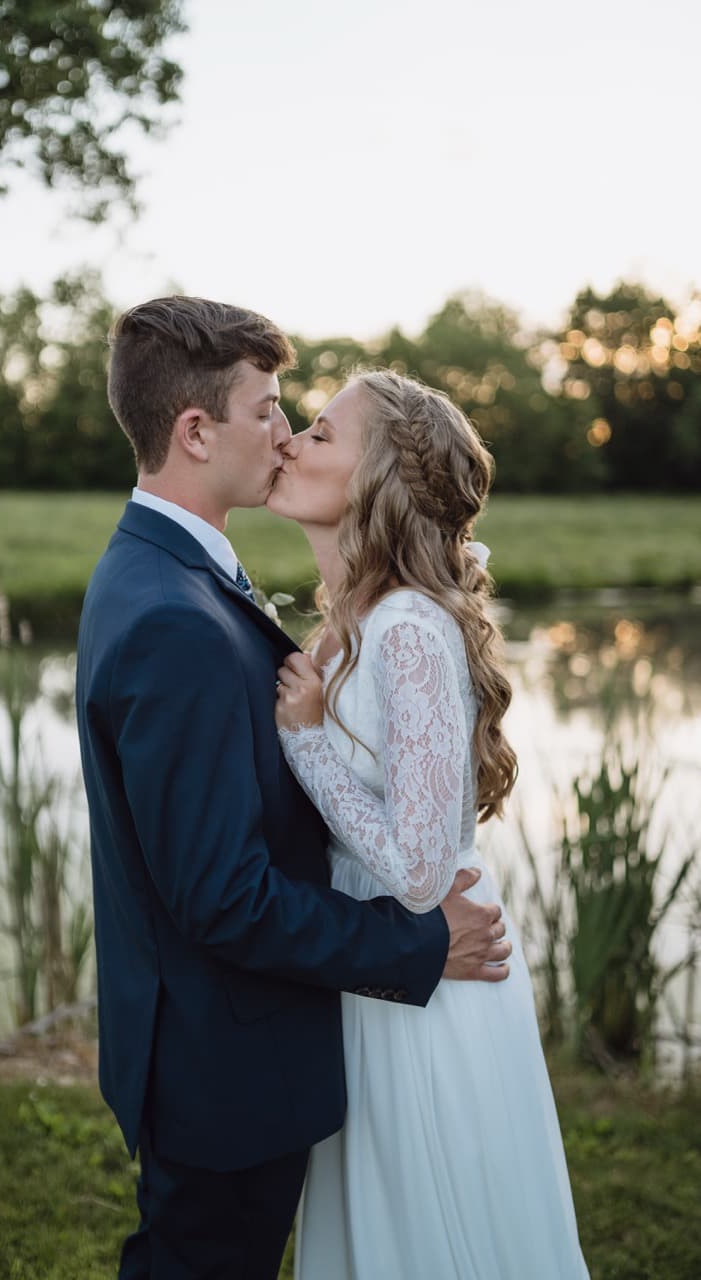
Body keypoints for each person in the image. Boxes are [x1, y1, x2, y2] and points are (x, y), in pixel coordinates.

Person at [75, 297, 512, 1280]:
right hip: (225, 1061)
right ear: (197, 430)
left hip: (256, 1039)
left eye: (307, 421)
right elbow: (221, 892)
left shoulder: (174, 576)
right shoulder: (173, 615)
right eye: (272, 409)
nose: (284, 431)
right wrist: (423, 941)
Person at [268, 368, 589, 1279]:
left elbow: (415, 870)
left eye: (322, 433)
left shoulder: (407, 628)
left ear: (379, 480)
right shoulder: (358, 622)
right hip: (386, 961)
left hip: (430, 965)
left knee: (430, 1223)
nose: (292, 439)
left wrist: (304, 742)